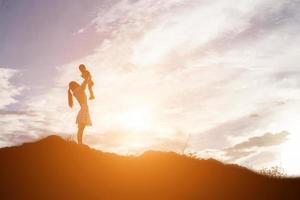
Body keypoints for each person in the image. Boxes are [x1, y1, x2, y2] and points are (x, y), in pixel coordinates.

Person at [68, 80, 92, 144]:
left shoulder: (76, 91)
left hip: (84, 109)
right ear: (75, 84)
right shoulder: (78, 90)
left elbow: (83, 86)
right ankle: (80, 143)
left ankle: (80, 142)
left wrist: (87, 79)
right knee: (81, 128)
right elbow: (83, 86)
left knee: (81, 128)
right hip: (84, 110)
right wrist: (87, 78)